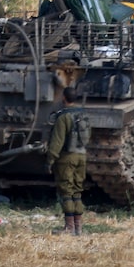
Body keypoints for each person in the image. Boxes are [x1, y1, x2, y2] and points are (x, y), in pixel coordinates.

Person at [46, 86, 89, 236]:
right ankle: (78, 227)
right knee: (77, 191)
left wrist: (50, 160)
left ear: (63, 98)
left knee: (66, 192)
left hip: (67, 158)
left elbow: (57, 142)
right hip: (81, 156)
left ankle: (69, 228)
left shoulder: (63, 117)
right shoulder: (83, 115)